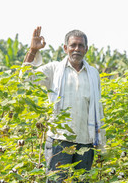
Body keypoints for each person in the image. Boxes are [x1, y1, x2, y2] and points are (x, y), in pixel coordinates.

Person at [22, 26, 106, 183]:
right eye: (73, 45)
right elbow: (25, 79)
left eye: (81, 45)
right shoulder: (54, 69)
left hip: (85, 141)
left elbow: (97, 107)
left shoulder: (93, 73)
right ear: (65, 48)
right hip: (59, 140)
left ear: (86, 49)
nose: (77, 49)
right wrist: (33, 51)